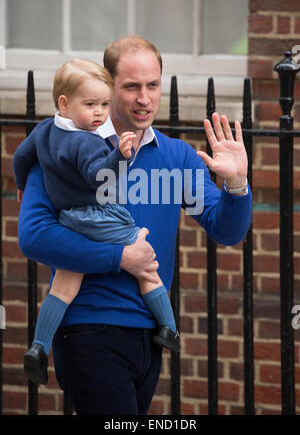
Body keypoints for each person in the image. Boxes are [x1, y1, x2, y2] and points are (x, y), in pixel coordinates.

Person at [17, 36, 252, 415]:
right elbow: (34, 237)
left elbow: (226, 230)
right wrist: (120, 257)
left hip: (149, 333)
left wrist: (237, 184)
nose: (145, 98)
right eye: (131, 87)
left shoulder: (177, 158)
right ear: (108, 87)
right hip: (88, 327)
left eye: (153, 85)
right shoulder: (62, 149)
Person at [13, 58, 180, 385]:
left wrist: (21, 184)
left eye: (104, 104)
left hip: (69, 220)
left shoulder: (44, 131)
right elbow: (97, 176)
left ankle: (38, 346)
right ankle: (169, 328)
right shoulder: (85, 141)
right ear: (64, 103)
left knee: (64, 285)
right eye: (90, 105)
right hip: (101, 217)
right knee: (146, 263)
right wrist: (120, 155)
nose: (100, 113)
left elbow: (21, 156)